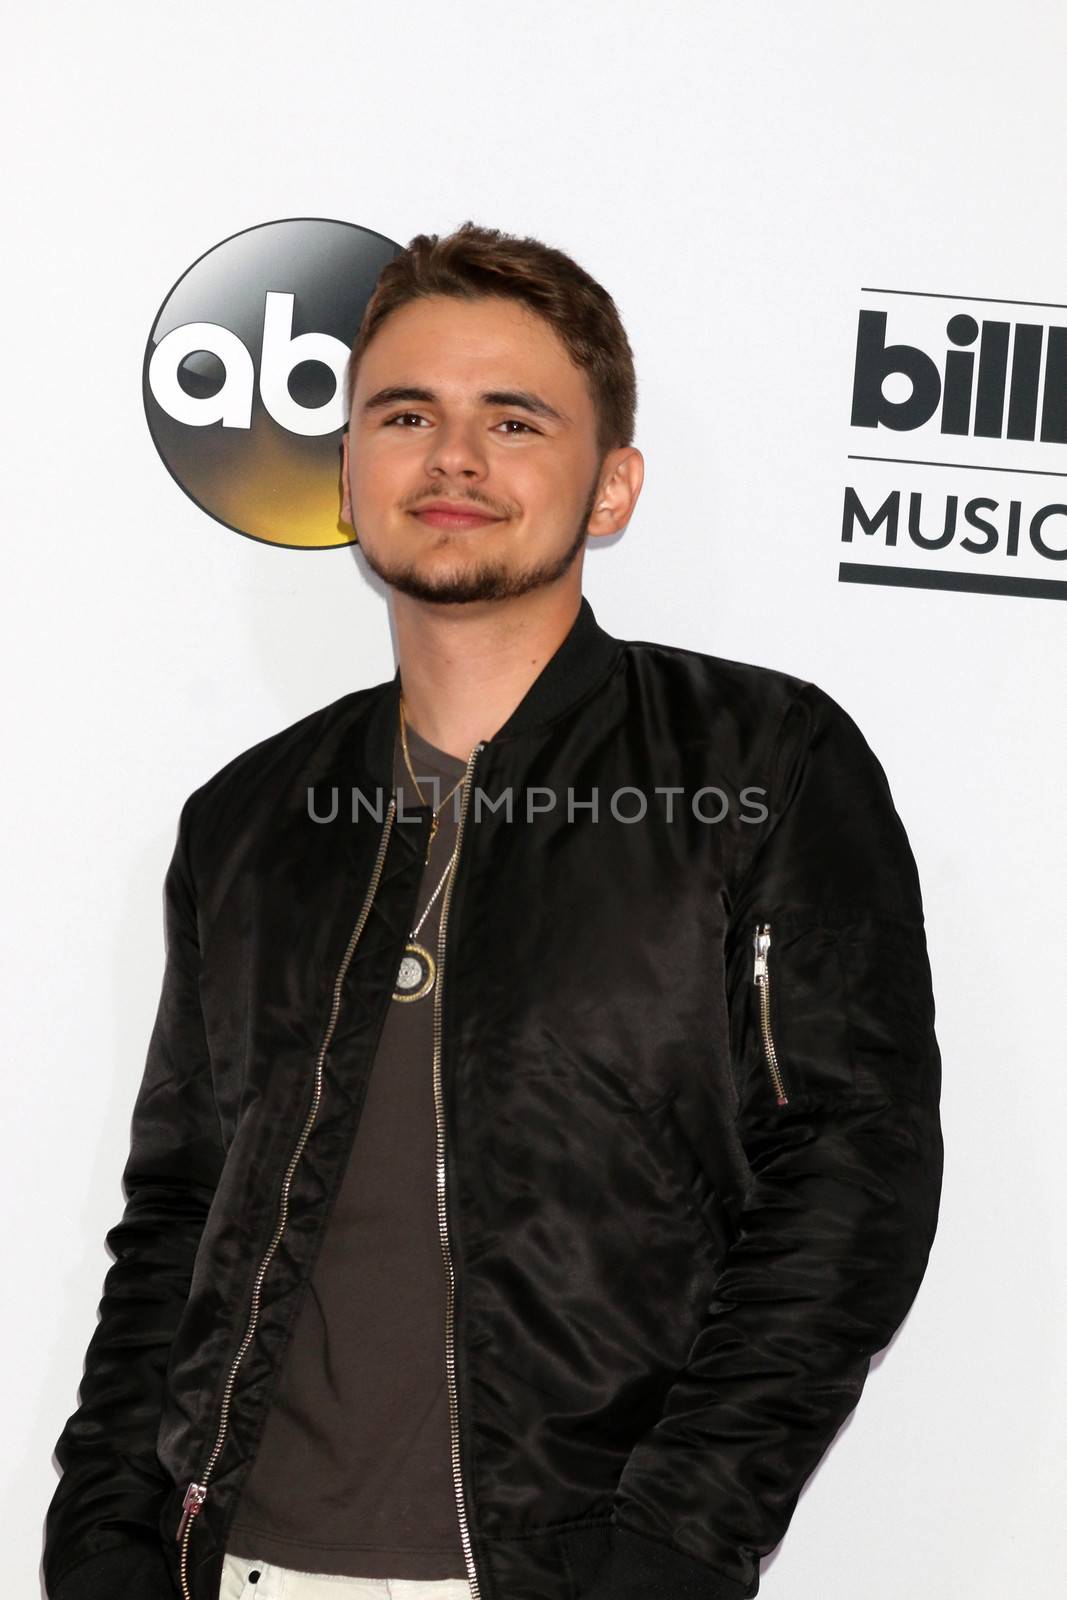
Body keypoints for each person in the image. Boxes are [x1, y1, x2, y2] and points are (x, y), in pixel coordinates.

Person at [43, 222, 944, 1600]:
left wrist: (673, 1542)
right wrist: (106, 1528)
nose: (453, 458)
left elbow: (851, 1174)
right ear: (349, 469)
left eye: (514, 420)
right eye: (407, 415)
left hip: (566, 1565)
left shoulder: (762, 764)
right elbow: (179, 1207)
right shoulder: (251, 819)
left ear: (612, 485)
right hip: (238, 1570)